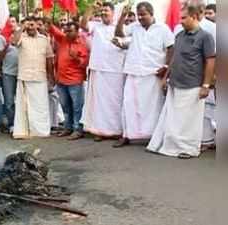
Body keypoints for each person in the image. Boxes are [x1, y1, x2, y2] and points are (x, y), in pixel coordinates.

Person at [147, 4, 216, 159]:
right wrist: (166, 78)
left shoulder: (205, 37)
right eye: (180, 18)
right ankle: (171, 147)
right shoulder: (179, 35)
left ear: (194, 17)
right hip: (176, 83)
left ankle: (189, 149)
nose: (181, 21)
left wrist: (206, 85)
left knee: (189, 120)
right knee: (174, 118)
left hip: (193, 84)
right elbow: (174, 59)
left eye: (184, 18)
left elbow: (210, 61)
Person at [113, 1, 174, 147]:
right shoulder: (135, 27)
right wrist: (122, 16)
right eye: (138, 14)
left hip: (153, 73)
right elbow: (119, 33)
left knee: (153, 106)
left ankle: (154, 136)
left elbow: (172, 49)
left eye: (143, 14)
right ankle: (127, 135)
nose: (140, 18)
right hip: (134, 71)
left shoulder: (163, 29)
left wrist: (166, 66)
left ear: (152, 14)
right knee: (128, 104)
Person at [81, 2, 127, 142]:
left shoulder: (121, 27)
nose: (103, 13)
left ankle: (117, 130)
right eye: (102, 11)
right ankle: (100, 131)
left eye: (106, 11)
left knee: (116, 101)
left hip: (116, 70)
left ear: (113, 13)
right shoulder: (96, 26)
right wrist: (90, 9)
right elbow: (83, 25)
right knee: (99, 104)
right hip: (99, 69)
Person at [174, 2, 216, 152]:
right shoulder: (180, 30)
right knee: (198, 112)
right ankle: (200, 140)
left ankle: (208, 140)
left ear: (197, 13)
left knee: (209, 110)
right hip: (185, 78)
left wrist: (208, 81)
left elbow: (211, 58)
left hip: (206, 76)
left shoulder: (210, 29)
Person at [12, 16, 55, 139]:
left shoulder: (44, 39)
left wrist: (51, 76)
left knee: (41, 107)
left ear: (37, 25)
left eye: (33, 24)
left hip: (40, 77)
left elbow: (49, 58)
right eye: (28, 25)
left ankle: (41, 131)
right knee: (23, 107)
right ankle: (24, 131)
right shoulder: (21, 37)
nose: (31, 27)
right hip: (25, 77)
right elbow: (14, 42)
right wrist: (22, 27)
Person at [47, 19, 89, 140]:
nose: (67, 33)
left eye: (70, 31)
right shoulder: (63, 38)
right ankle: (68, 127)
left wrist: (77, 59)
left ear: (77, 31)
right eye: (66, 30)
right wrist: (48, 21)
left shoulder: (82, 43)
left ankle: (77, 129)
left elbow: (84, 63)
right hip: (61, 80)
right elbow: (53, 30)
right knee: (65, 106)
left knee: (76, 106)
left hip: (75, 81)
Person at [0, 16, 19, 133]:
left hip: (22, 73)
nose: (12, 24)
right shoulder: (2, 38)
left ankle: (22, 124)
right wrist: (7, 46)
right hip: (8, 73)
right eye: (9, 22)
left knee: (21, 100)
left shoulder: (22, 35)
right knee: (9, 101)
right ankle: (12, 124)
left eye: (13, 21)